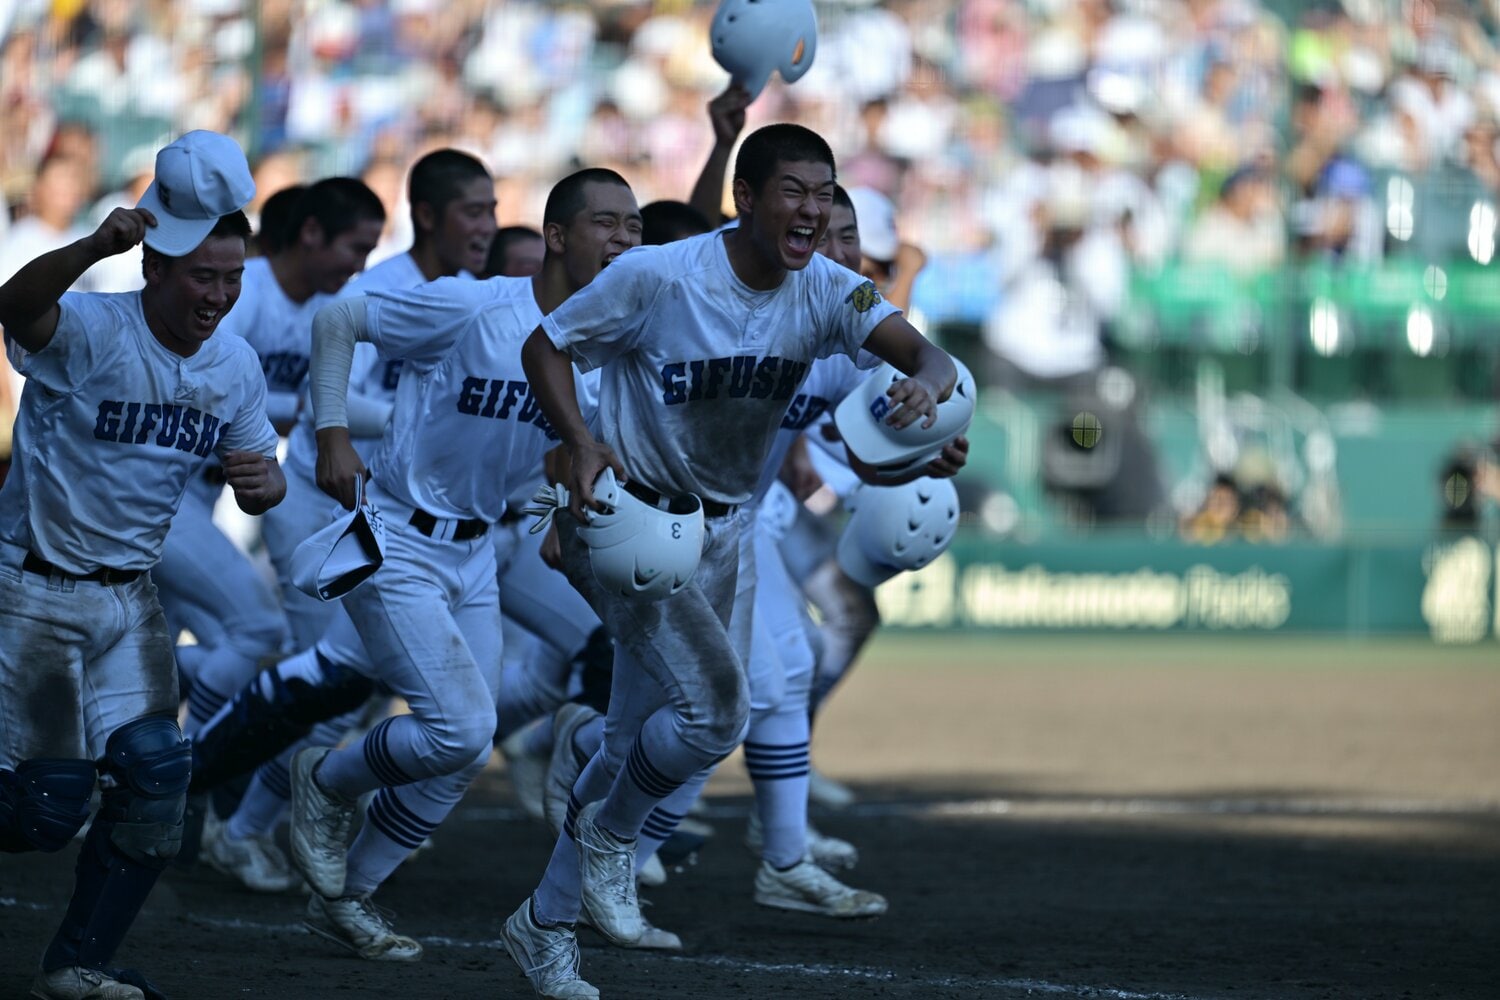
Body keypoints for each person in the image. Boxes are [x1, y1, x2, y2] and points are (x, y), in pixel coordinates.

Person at [501, 123, 957, 999]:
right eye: (794, 190)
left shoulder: (827, 288)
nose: (814, 210)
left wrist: (925, 400)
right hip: (631, 525)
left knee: (637, 737)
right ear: (745, 198)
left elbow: (925, 357)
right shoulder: (659, 276)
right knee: (718, 714)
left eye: (824, 193)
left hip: (728, 532)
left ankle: (543, 925)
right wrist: (581, 439)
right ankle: (612, 841)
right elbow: (545, 346)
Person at [285, 168, 642, 963]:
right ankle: (326, 779)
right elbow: (340, 315)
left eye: (634, 228)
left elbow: (551, 456)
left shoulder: (596, 351)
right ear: (555, 236)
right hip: (397, 538)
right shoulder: (474, 305)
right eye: (606, 223)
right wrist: (332, 431)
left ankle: (346, 898)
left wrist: (559, 510)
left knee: (463, 750)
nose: (623, 239)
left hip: (476, 549)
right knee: (462, 727)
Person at [0, 130, 282, 1000]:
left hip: (133, 601)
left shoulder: (234, 364)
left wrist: (263, 482)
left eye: (233, 278)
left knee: (159, 783)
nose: (221, 295)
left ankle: (77, 965)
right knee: (47, 813)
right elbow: (12, 306)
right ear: (157, 267)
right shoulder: (91, 329)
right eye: (205, 275)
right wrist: (92, 247)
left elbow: (259, 481)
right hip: (35, 590)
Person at [200, 154, 494, 893]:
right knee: (324, 674)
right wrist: (411, 418)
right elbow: (332, 400)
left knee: (341, 681)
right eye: (474, 212)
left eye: (495, 212)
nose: (488, 228)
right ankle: (205, 800)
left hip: (393, 510)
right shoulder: (384, 291)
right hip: (320, 494)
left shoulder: (470, 297)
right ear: (427, 214)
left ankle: (236, 812)